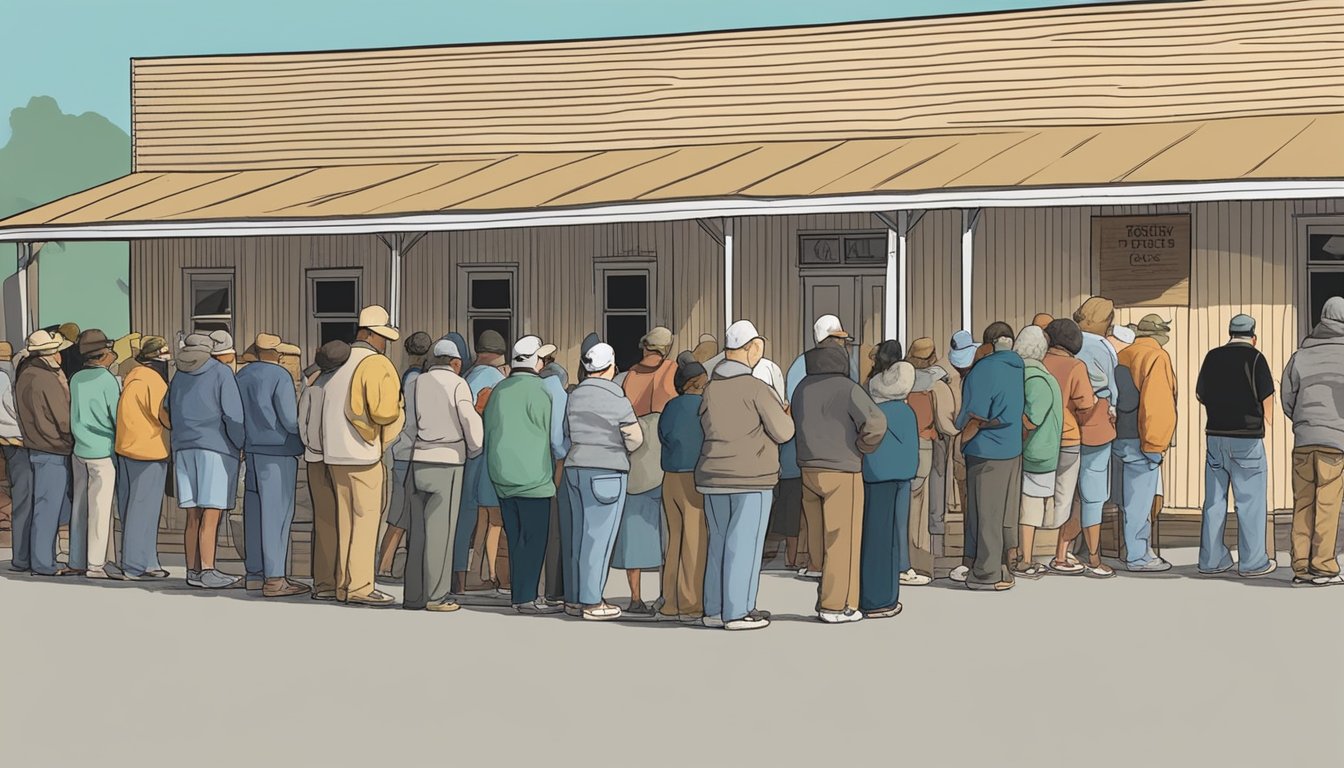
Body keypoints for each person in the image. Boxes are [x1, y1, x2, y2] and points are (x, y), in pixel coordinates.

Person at [697, 320, 794, 630]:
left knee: (718, 543)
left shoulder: (711, 389)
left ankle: (714, 608)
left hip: (713, 475)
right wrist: (785, 412)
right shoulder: (756, 388)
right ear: (752, 349)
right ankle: (739, 611)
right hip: (751, 476)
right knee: (745, 544)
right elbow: (783, 431)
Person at [792, 323, 885, 623]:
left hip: (807, 467)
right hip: (842, 468)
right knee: (842, 539)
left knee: (818, 538)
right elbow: (876, 423)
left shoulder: (801, 388)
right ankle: (837, 605)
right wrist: (862, 446)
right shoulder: (848, 389)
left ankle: (828, 597)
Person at [320, 307, 404, 605]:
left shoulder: (337, 363)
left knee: (344, 522)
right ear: (370, 334)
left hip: (334, 454)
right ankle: (361, 587)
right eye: (383, 336)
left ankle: (343, 585)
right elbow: (384, 411)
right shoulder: (376, 364)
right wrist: (399, 415)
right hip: (364, 453)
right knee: (366, 522)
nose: (385, 343)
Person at [483, 336, 564, 614]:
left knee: (515, 536)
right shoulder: (541, 390)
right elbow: (555, 439)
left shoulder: (499, 390)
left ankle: (519, 595)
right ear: (535, 361)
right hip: (534, 478)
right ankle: (526, 598)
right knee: (533, 539)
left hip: (501, 475)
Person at [562, 341, 642, 620]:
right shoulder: (616, 397)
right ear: (611, 366)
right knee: (599, 538)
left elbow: (564, 432)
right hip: (606, 471)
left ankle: (573, 598)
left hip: (574, 468)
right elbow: (635, 438)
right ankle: (592, 601)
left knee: (577, 535)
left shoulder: (573, 395)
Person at [404, 337, 483, 612]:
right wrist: (474, 449)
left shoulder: (417, 382)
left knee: (417, 533)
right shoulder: (458, 384)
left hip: (418, 459)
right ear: (456, 362)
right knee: (441, 532)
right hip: (448, 461)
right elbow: (469, 420)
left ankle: (413, 596)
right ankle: (436, 597)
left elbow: (409, 424)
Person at [1194, 314, 1276, 578]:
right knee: (1249, 502)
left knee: (1214, 501)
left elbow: (1200, 394)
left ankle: (1211, 560)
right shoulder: (1256, 358)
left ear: (1230, 333)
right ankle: (1252, 563)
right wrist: (1267, 422)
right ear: (1253, 336)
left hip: (1215, 436)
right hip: (1247, 439)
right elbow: (1266, 398)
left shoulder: (1212, 356)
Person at [167, 333, 244, 589]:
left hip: (183, 448)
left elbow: (165, 409)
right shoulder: (221, 373)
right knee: (212, 513)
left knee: (193, 515)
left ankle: (193, 570)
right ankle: (209, 570)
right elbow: (233, 415)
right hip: (215, 447)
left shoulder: (178, 376)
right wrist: (239, 443)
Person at [789, 314, 862, 579]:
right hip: (840, 461)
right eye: (841, 339)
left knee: (815, 521)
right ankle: (834, 595)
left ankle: (815, 565)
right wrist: (861, 445)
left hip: (808, 459)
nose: (845, 344)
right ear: (830, 340)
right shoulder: (845, 378)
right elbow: (871, 422)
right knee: (840, 532)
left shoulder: (801, 378)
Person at [235, 332, 308, 598]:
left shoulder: (241, 376)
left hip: (251, 450)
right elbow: (289, 420)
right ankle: (275, 579)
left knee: (254, 513)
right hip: (278, 451)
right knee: (276, 516)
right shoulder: (280, 376)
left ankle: (254, 574)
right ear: (275, 354)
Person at [955, 322, 1025, 592]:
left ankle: (986, 573)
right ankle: (1004, 565)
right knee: (1004, 512)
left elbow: (973, 413)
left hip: (985, 449)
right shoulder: (1018, 367)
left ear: (988, 344)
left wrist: (961, 430)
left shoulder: (984, 369)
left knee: (984, 513)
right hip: (1011, 447)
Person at [1282, 296, 1344, 586]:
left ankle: (1301, 567)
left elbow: (1287, 398)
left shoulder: (1300, 355)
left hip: (1304, 440)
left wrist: (1302, 422)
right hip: (1335, 441)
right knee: (1328, 504)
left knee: (1303, 503)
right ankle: (1323, 567)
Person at [615, 326, 675, 614]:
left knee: (634, 532)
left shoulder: (626, 377)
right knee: (668, 532)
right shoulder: (672, 370)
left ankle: (635, 597)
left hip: (635, 458)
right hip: (662, 457)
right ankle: (666, 595)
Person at [1115, 315, 1179, 573]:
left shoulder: (1123, 354)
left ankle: (1134, 551)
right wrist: (1155, 445)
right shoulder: (1157, 357)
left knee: (1125, 501)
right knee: (1140, 503)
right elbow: (1157, 404)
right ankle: (1139, 557)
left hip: (1118, 436)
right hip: (1142, 440)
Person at [15, 330, 78, 577]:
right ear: (53, 354)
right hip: (52, 448)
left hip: (34, 447)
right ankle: (44, 562)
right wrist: (71, 438)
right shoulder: (47, 377)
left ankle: (24, 558)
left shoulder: (26, 374)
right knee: (48, 509)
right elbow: (63, 419)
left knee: (35, 506)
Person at [1066, 297, 1121, 573]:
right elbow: (1113, 389)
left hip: (1068, 420)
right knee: (1094, 493)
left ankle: (1062, 552)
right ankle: (1094, 557)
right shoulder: (1102, 347)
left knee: (1069, 492)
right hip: (1097, 421)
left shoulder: (1069, 342)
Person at [860, 361, 919, 619]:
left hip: (875, 476)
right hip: (902, 477)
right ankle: (893, 583)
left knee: (874, 535)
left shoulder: (874, 412)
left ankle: (874, 595)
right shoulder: (907, 413)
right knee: (897, 531)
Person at [1039, 319, 1097, 576]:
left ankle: (1021, 553)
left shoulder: (1036, 362)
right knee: (1071, 498)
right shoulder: (1076, 366)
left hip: (1035, 438)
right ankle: (1061, 555)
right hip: (1067, 437)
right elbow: (1086, 405)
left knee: (1028, 496)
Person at [114, 336, 172, 580]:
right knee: (145, 510)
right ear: (158, 357)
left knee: (130, 508)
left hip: (125, 449)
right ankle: (137, 564)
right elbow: (164, 415)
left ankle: (146, 561)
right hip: (150, 450)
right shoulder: (155, 381)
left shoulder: (132, 377)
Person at [377, 330, 433, 582]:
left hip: (404, 451)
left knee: (404, 512)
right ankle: (384, 565)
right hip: (408, 453)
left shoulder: (406, 377)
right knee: (400, 513)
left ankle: (388, 564)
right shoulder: (415, 381)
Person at [657, 353, 709, 623]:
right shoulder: (703, 407)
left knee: (674, 539)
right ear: (698, 382)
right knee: (695, 541)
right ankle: (690, 604)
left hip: (670, 477)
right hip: (694, 477)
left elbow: (663, 435)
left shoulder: (670, 406)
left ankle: (669, 601)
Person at [457, 329, 509, 594]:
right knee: (491, 519)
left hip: (465, 456)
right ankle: (485, 574)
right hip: (488, 455)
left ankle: (467, 576)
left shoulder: (467, 376)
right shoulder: (494, 378)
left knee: (472, 518)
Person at [299, 341, 351, 601]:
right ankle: (345, 581)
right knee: (348, 519)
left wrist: (313, 446)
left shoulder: (313, 388)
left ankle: (323, 584)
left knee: (324, 521)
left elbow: (303, 425)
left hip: (315, 458)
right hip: (343, 458)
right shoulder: (345, 385)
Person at [1009, 326, 1063, 579]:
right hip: (1041, 451)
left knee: (1026, 508)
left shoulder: (1027, 377)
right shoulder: (1041, 377)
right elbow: (1036, 418)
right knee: (1030, 509)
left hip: (1031, 451)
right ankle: (1025, 559)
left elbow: (1030, 418)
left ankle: (1022, 557)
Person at [904, 337, 958, 586]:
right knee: (930, 509)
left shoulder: (899, 381)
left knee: (907, 508)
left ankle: (906, 559)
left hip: (903, 448)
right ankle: (926, 563)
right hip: (930, 446)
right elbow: (948, 422)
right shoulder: (937, 385)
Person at [69, 330, 122, 579]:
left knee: (79, 507)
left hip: (79, 448)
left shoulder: (76, 378)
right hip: (102, 450)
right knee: (100, 508)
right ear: (103, 355)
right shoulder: (107, 380)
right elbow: (116, 417)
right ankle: (96, 564)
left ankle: (77, 558)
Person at [0, 340, 28, 563]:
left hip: (4, 440)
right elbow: (13, 408)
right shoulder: (5, 378)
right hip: (15, 440)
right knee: (22, 494)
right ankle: (21, 553)